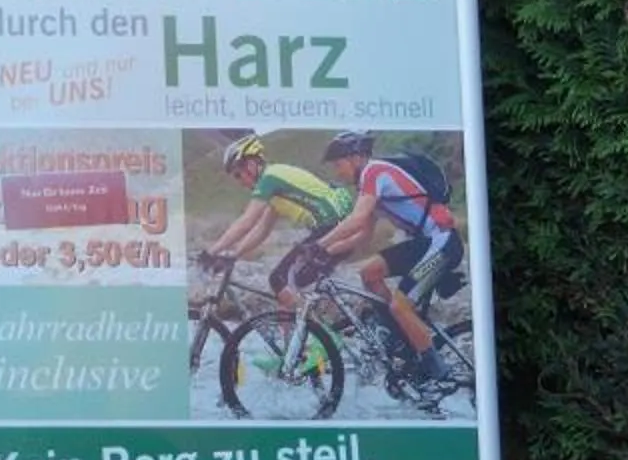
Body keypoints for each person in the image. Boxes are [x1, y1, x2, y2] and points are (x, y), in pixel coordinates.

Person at [315, 129, 462, 389]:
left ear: (356, 157)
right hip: (424, 244)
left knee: (400, 305)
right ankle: (399, 336)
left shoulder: (374, 171)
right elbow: (363, 235)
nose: (337, 172)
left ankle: (437, 371)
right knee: (369, 273)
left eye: (338, 164)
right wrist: (326, 253)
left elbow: (356, 219)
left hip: (442, 243)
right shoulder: (369, 183)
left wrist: (320, 243)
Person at [197, 134, 353, 315]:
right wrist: (234, 254)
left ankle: (318, 330)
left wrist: (212, 251)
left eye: (238, 175)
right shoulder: (275, 181)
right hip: (334, 228)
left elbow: (246, 222)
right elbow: (262, 230)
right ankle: (299, 333)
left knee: (279, 280)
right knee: (284, 293)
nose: (240, 182)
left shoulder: (270, 179)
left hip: (331, 230)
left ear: (250, 165)